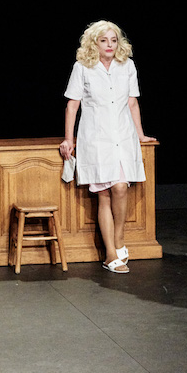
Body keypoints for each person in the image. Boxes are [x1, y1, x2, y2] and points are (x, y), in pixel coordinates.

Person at [59, 21, 156, 274]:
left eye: (113, 40)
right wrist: (69, 139)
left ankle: (119, 238)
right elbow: (72, 106)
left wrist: (140, 134)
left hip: (123, 137)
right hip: (96, 138)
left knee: (121, 187)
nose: (110, 45)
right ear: (95, 43)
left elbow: (132, 103)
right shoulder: (82, 67)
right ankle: (110, 254)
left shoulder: (127, 66)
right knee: (104, 194)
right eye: (104, 40)